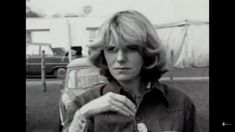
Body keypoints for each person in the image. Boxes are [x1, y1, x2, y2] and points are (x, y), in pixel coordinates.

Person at [62, 10, 200, 132]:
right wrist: (82, 114)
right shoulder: (83, 104)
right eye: (111, 49)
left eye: (131, 48)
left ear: (147, 52)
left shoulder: (180, 103)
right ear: (102, 54)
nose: (120, 58)